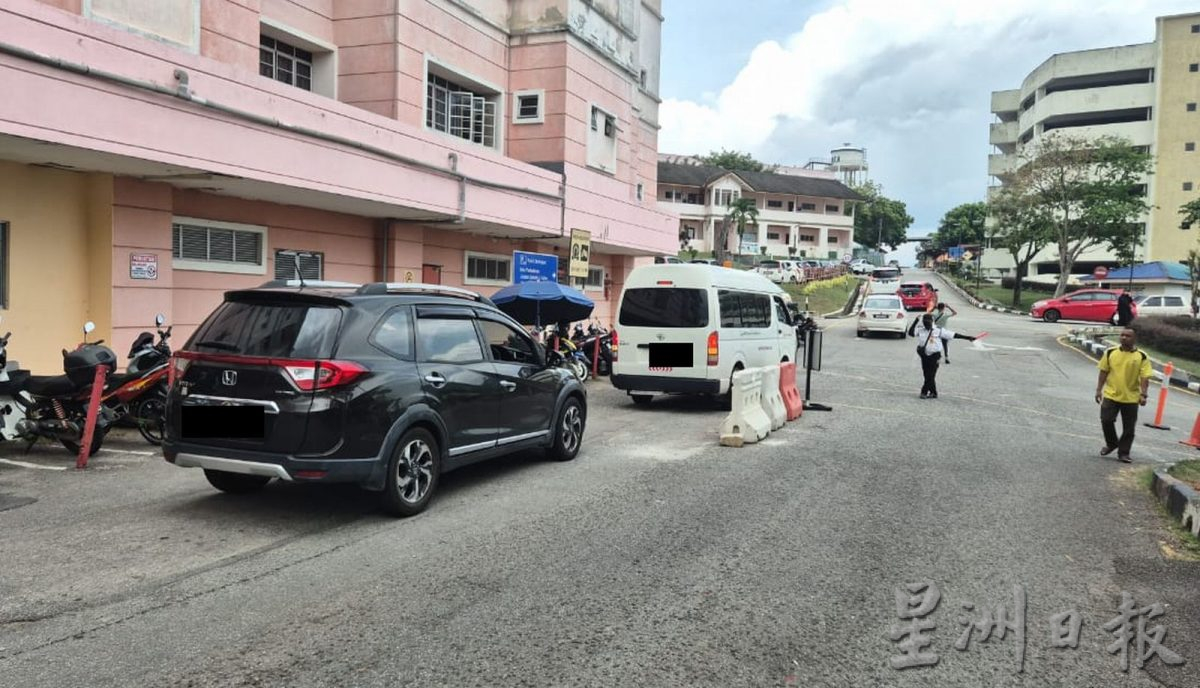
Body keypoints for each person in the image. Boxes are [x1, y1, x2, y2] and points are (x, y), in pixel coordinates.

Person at [1095, 328, 1152, 463]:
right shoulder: (1110, 352)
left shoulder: (1141, 356)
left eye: (1128, 336)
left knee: (1129, 428)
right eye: (1122, 335)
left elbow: (1145, 377)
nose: (1124, 338)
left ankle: (1124, 453)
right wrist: (1098, 390)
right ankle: (1112, 443)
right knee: (1106, 420)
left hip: (1131, 397)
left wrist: (1143, 394)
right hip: (1111, 394)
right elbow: (1103, 371)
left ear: (1134, 339)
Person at [906, 313, 981, 399]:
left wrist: (968, 337)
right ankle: (934, 393)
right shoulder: (921, 330)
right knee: (926, 374)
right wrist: (916, 321)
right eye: (925, 323)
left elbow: (953, 335)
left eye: (928, 323)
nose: (927, 325)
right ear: (923, 323)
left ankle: (924, 392)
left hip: (935, 356)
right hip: (924, 355)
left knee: (931, 375)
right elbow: (911, 333)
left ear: (932, 322)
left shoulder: (938, 330)